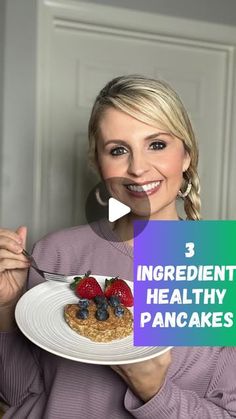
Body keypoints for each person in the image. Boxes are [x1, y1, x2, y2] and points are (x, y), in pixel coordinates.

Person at [0, 75, 235, 419]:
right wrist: (6, 308)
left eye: (156, 144)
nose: (138, 169)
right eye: (118, 150)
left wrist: (154, 391)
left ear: (186, 155)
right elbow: (20, 393)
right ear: (98, 162)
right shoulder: (55, 252)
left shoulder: (211, 262)